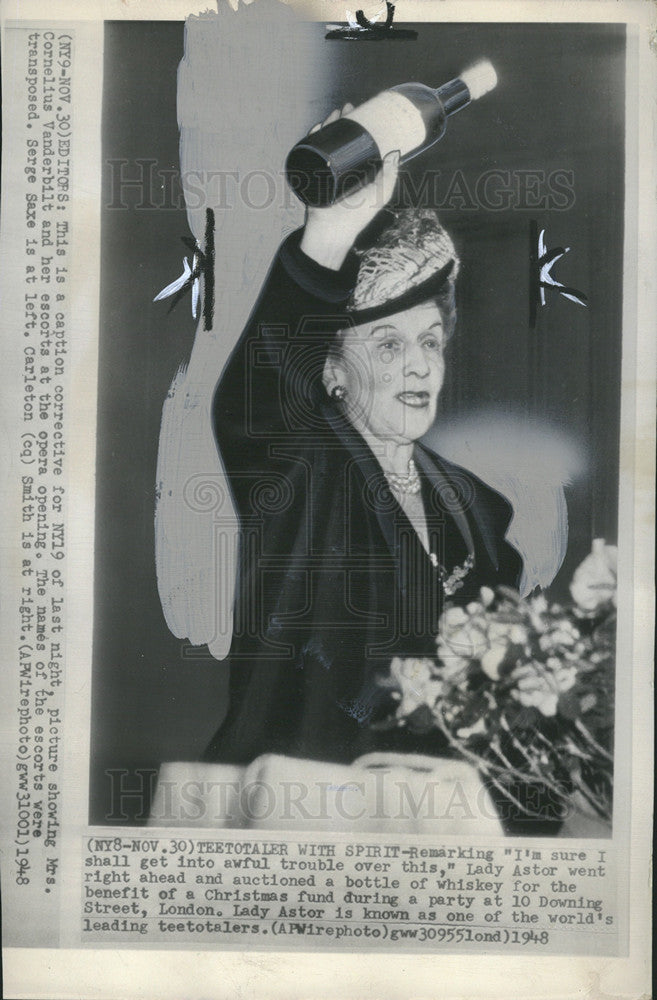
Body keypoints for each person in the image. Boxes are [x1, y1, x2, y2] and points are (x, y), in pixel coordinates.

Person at [202, 118, 525, 792]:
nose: (418, 368)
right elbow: (255, 396)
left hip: (437, 816)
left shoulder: (476, 507)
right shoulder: (297, 462)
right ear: (330, 371)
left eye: (429, 341)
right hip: (297, 808)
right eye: (386, 345)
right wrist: (327, 234)